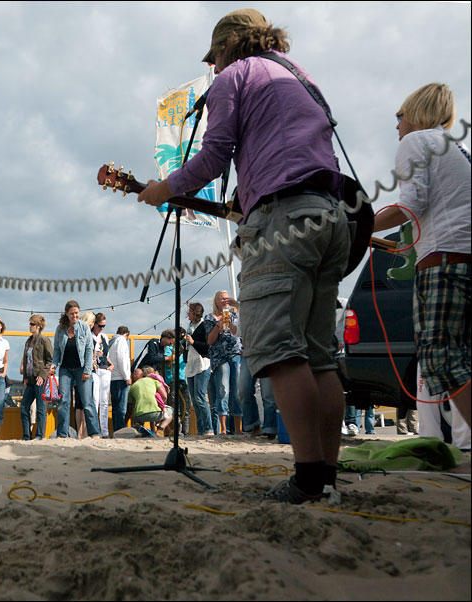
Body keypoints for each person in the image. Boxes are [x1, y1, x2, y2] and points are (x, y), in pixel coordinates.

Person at [139, 8, 349, 503]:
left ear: (231, 43)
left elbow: (214, 155)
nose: (213, 67)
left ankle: (306, 479)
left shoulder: (237, 73)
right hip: (332, 214)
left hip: (285, 218)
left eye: (215, 56)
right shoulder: (302, 76)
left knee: (280, 351)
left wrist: (163, 189)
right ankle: (328, 480)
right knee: (320, 356)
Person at [372, 82, 471, 430]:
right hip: (462, 257)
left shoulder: (417, 141)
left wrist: (358, 227)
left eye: (399, 116)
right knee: (462, 358)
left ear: (415, 114)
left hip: (444, 260)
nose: (397, 126)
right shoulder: (457, 148)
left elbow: (411, 205)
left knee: (441, 360)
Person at [50, 300, 99, 438]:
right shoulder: (60, 329)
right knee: (63, 401)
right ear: (66, 314)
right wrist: (54, 365)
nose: (75, 316)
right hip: (65, 369)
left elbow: (90, 349)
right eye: (72, 313)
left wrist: (87, 370)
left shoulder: (84, 327)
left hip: (81, 368)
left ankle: (94, 432)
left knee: (87, 401)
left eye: (77, 313)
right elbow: (57, 351)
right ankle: (62, 434)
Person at [205, 291, 242, 435]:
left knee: (237, 391)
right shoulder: (210, 318)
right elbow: (209, 341)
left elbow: (239, 333)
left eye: (227, 298)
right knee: (223, 389)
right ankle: (224, 428)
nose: (225, 300)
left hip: (235, 353)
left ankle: (238, 428)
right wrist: (217, 326)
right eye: (222, 298)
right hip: (220, 357)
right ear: (216, 302)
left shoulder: (234, 315)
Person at [19, 315, 53, 440]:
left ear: (38, 326)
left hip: (40, 380)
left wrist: (43, 375)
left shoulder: (44, 340)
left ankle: (39, 435)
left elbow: (50, 360)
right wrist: (25, 378)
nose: (30, 326)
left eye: (32, 324)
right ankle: (26, 435)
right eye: (30, 324)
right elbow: (27, 361)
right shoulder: (28, 341)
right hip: (30, 379)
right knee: (24, 407)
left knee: (41, 409)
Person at [184, 302, 213, 436]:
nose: (187, 314)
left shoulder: (203, 326)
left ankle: (208, 428)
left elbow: (208, 346)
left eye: (189, 311)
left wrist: (193, 342)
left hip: (202, 364)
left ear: (194, 312)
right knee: (194, 399)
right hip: (191, 364)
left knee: (200, 397)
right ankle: (201, 429)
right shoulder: (190, 326)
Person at [90, 313, 114, 437]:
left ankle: (104, 431)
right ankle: (95, 430)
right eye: (100, 325)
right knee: (95, 400)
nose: (102, 328)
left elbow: (107, 355)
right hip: (94, 370)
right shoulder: (89, 336)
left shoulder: (104, 337)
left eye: (104, 326)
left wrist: (111, 365)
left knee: (104, 401)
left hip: (105, 369)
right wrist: (95, 355)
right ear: (94, 324)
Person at [107, 326, 132, 435]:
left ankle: (115, 431)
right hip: (120, 378)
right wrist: (127, 376)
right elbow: (122, 359)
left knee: (115, 408)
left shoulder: (111, 341)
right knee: (121, 408)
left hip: (112, 377)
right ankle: (120, 431)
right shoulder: (121, 340)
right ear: (126, 334)